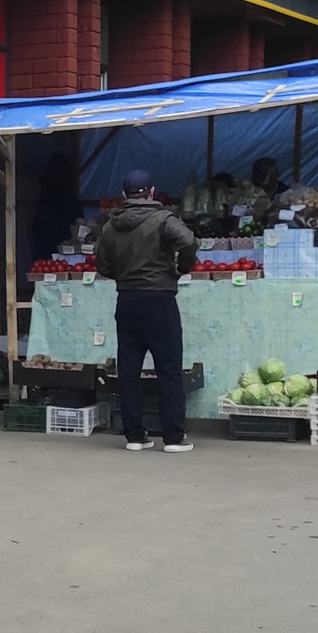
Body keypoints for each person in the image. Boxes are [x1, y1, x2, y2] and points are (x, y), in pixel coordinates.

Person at [94, 168, 199, 450]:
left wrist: (122, 275)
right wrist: (181, 268)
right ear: (152, 191)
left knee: (128, 370)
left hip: (127, 301)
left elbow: (102, 265)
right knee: (168, 369)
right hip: (159, 300)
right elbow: (189, 241)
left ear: (123, 194)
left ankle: (135, 436)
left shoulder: (110, 226)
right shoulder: (163, 219)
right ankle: (173, 437)